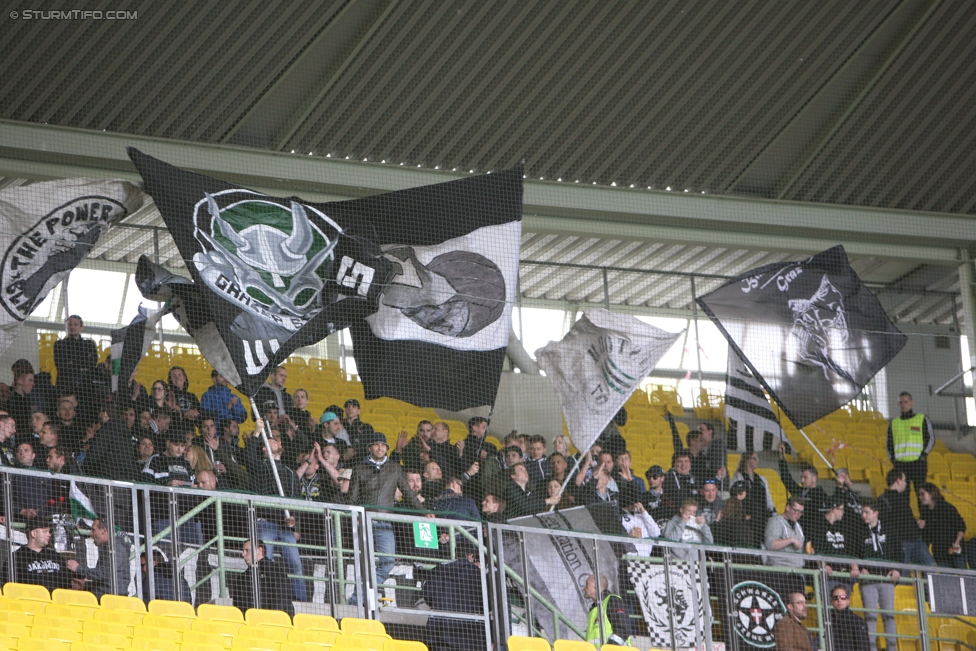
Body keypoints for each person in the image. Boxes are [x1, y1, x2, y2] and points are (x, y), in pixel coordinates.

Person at [343, 431, 423, 596]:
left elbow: (408, 492)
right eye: (376, 444)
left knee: (388, 562)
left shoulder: (394, 468)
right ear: (370, 448)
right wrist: (356, 517)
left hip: (385, 523)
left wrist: (424, 512)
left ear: (387, 448)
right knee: (364, 563)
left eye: (383, 445)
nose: (380, 448)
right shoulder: (359, 468)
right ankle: (360, 599)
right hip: (364, 521)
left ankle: (358, 597)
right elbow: (352, 498)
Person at [250, 432, 305, 602]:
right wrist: (256, 433)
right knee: (267, 560)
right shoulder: (260, 467)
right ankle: (267, 597)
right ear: (264, 448)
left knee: (295, 563)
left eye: (278, 440)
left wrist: (294, 520)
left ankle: (300, 600)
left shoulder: (290, 473)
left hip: (284, 527)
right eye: (272, 440)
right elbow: (248, 455)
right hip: (265, 522)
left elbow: (297, 502)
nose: (277, 441)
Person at [423, 540, 485, 651]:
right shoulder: (479, 575)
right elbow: (484, 601)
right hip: (470, 635)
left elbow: (427, 595)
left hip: (440, 632)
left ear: (456, 554)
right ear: (471, 556)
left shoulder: (438, 569)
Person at [859, 499, 901, 651]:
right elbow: (855, 553)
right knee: (870, 616)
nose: (863, 515)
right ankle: (871, 648)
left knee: (888, 616)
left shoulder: (889, 530)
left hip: (886, 579)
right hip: (868, 580)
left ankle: (892, 648)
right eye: (862, 512)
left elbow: (898, 552)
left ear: (876, 513)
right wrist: (861, 567)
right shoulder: (859, 530)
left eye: (867, 512)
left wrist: (897, 569)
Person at [877, 469, 934, 566]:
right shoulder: (883, 500)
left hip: (915, 540)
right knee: (904, 571)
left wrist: (916, 525)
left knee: (930, 564)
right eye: (904, 480)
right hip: (902, 542)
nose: (906, 483)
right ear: (898, 481)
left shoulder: (901, 499)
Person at [807, 496, 860, 595]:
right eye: (841, 509)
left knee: (843, 604)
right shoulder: (818, 525)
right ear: (834, 510)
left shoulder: (843, 526)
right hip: (828, 575)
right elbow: (816, 549)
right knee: (830, 604)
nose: (843, 512)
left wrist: (855, 567)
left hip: (844, 575)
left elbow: (850, 550)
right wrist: (824, 566)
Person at [67, 517, 130, 599]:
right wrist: (86, 585)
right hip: (106, 597)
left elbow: (105, 573)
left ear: (103, 531)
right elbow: (105, 579)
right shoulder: (108, 547)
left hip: (111, 600)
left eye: (93, 530)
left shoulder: (115, 548)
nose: (90, 534)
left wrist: (79, 569)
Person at [777, 442, 830, 538]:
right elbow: (786, 478)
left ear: (814, 478)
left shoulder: (821, 495)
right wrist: (781, 456)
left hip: (811, 534)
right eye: (801, 477)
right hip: (796, 532)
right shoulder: (799, 491)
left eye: (805, 477)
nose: (801, 480)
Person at [229, 539, 295, 616]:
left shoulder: (276, 571)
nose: (243, 554)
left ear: (260, 551)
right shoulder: (241, 578)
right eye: (243, 551)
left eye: (247, 550)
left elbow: (281, 600)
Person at [886, 392, 934, 494]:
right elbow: (888, 444)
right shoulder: (894, 423)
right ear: (898, 404)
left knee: (921, 494)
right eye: (900, 402)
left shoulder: (922, 419)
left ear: (912, 403)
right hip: (900, 466)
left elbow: (931, 439)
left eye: (906, 402)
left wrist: (923, 455)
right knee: (902, 498)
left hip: (918, 464)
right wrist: (894, 460)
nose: (903, 404)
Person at [917, 482, 966, 568]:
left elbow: (961, 526)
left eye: (922, 494)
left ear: (931, 493)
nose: (920, 497)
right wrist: (920, 528)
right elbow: (926, 537)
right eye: (919, 494)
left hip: (955, 551)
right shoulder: (925, 513)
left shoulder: (946, 507)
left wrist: (957, 542)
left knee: (963, 577)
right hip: (940, 555)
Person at [765, 497, 807, 598]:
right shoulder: (776, 521)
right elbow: (770, 545)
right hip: (780, 574)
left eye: (800, 512)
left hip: (797, 573)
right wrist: (790, 540)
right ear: (788, 507)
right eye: (796, 511)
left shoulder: (798, 526)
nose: (798, 514)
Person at [731, 451, 775, 548]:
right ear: (747, 460)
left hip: (761, 518)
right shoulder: (738, 477)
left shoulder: (762, 480)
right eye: (755, 458)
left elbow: (768, 499)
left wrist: (773, 513)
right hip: (746, 517)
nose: (757, 461)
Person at [12, 522, 73, 591]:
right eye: (45, 531)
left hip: (56, 600)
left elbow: (67, 586)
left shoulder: (56, 556)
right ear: (34, 534)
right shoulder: (17, 557)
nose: (49, 535)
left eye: (49, 531)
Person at [196, 416, 249, 491]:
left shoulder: (224, 445)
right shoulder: (196, 445)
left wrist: (226, 470)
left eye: (211, 426)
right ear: (200, 430)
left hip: (224, 485)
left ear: (215, 430)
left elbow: (238, 471)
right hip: (204, 486)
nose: (209, 429)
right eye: (205, 426)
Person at [583, 573, 633, 647]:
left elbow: (623, 630)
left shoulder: (613, 601)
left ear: (596, 586)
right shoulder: (594, 609)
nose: (584, 588)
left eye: (587, 584)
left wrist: (608, 648)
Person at [53, 315, 98, 391]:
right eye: (70, 324)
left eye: (76, 325)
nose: (72, 327)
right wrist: (82, 366)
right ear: (67, 326)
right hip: (65, 385)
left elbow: (92, 363)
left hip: (86, 385)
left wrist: (72, 362)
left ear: (81, 327)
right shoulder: (59, 344)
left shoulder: (90, 344)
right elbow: (61, 366)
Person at [828, 584, 871, 651]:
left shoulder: (857, 621)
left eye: (843, 597)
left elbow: (863, 647)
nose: (839, 600)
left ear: (848, 601)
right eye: (835, 598)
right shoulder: (827, 621)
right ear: (831, 602)